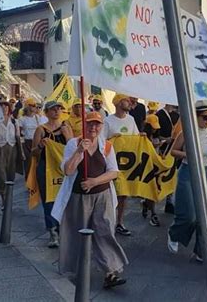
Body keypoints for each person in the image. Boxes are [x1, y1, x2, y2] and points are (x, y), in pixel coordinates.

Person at [52, 111, 128, 289]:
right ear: (84, 125)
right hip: (78, 198)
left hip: (102, 196)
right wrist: (79, 152)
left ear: (101, 126)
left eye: (97, 124)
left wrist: (94, 181)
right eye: (90, 124)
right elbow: (68, 171)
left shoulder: (107, 146)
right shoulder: (73, 143)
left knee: (105, 232)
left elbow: (113, 172)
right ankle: (73, 270)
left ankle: (111, 272)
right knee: (75, 234)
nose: (93, 127)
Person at [167, 100, 207, 262]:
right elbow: (173, 152)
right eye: (205, 117)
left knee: (205, 215)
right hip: (187, 172)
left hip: (204, 172)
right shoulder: (186, 132)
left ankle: (200, 251)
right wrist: (188, 155)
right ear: (195, 117)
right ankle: (174, 233)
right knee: (188, 214)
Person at [32, 101, 73, 248]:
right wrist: (40, 145)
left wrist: (66, 135)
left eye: (59, 109)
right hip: (46, 168)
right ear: (47, 112)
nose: (57, 112)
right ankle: (53, 231)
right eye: (53, 109)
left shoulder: (66, 127)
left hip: (63, 167)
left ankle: (64, 228)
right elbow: (33, 152)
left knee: (65, 198)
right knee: (49, 199)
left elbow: (72, 147)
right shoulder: (41, 129)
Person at [102, 94, 139, 236]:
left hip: (127, 164)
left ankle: (119, 222)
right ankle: (108, 221)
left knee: (123, 194)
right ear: (118, 102)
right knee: (110, 193)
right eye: (126, 100)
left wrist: (141, 137)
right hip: (111, 164)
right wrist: (112, 139)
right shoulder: (107, 121)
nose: (130, 103)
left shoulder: (131, 119)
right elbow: (101, 141)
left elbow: (134, 138)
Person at [0, 98, 20, 207]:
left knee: (11, 175)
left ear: (9, 108)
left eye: (6, 106)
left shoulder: (14, 121)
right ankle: (3, 197)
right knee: (1, 175)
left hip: (12, 148)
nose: (4, 108)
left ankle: (9, 197)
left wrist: (21, 152)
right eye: (1, 107)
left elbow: (17, 136)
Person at [156, 104, 179, 214]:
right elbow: (155, 134)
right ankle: (150, 199)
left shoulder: (175, 115)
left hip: (171, 151)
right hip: (162, 150)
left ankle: (169, 202)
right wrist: (166, 139)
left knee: (171, 175)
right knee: (159, 175)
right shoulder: (159, 114)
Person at [141, 114, 162, 226]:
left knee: (156, 189)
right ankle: (153, 213)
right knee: (151, 190)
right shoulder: (143, 136)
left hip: (156, 165)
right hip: (147, 166)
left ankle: (146, 204)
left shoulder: (155, 136)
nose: (155, 129)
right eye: (153, 127)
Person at [19, 104, 46, 179]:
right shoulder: (22, 119)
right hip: (27, 141)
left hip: (37, 140)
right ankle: (28, 180)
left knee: (38, 161)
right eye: (31, 106)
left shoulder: (37, 118)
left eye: (34, 106)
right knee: (28, 162)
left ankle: (36, 179)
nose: (34, 107)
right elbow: (19, 132)